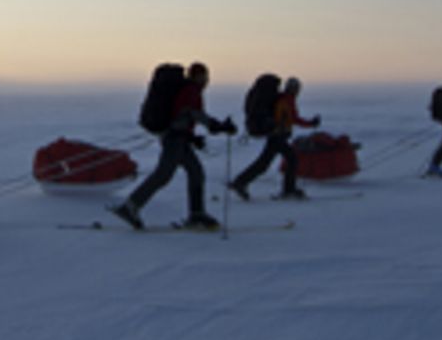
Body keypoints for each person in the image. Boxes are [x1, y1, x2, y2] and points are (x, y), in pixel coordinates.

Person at [110, 63, 237, 231]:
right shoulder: (191, 90)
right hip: (175, 139)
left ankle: (196, 214)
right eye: (205, 76)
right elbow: (193, 114)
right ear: (199, 77)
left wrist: (192, 138)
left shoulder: (187, 89)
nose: (207, 80)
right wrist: (218, 126)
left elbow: (181, 116)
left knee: (195, 171)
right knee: (163, 174)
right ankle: (130, 207)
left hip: (178, 138)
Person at [229, 77, 322, 201]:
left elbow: (291, 118)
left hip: (275, 135)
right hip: (278, 136)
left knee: (265, 163)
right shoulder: (286, 100)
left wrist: (309, 123)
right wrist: (310, 123)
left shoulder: (283, 99)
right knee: (291, 159)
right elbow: (292, 119)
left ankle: (240, 182)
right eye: (296, 88)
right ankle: (288, 190)